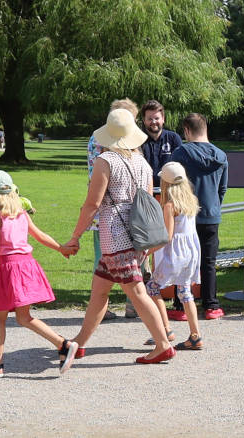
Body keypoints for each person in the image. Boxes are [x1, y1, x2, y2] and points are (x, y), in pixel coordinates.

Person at [61, 108, 177, 369]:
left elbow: (92, 204)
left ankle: (163, 345)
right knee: (100, 292)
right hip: (137, 233)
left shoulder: (105, 161)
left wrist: (75, 236)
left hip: (115, 235)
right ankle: (79, 342)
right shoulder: (143, 162)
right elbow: (146, 200)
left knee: (136, 291)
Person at [0, 170, 76, 377]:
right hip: (27, 266)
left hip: (10, 269)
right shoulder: (20, 212)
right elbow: (39, 235)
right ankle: (62, 344)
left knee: (0, 317)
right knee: (24, 317)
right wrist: (61, 248)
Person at [171, 113, 229, 320]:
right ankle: (211, 305)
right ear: (205, 129)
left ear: (187, 130)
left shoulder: (180, 153)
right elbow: (222, 188)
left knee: (183, 260)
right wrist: (213, 206)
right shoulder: (221, 155)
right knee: (209, 262)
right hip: (211, 215)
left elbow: (173, 184)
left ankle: (181, 306)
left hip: (186, 214)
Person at [87, 97, 139, 320]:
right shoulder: (125, 140)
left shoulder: (95, 138)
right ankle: (133, 304)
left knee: (102, 260)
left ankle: (101, 307)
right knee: (133, 261)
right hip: (123, 209)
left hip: (102, 211)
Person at [146, 162, 204, 350]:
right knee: (185, 292)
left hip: (176, 254)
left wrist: (147, 251)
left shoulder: (170, 206)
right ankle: (195, 335)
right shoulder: (191, 200)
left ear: (166, 183)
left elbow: (167, 237)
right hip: (191, 252)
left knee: (152, 288)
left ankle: (165, 330)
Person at [140, 100, 183, 188]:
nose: (153, 122)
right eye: (150, 119)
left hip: (170, 188)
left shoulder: (174, 138)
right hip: (145, 190)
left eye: (157, 118)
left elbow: (180, 167)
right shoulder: (138, 141)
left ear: (163, 119)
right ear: (144, 120)